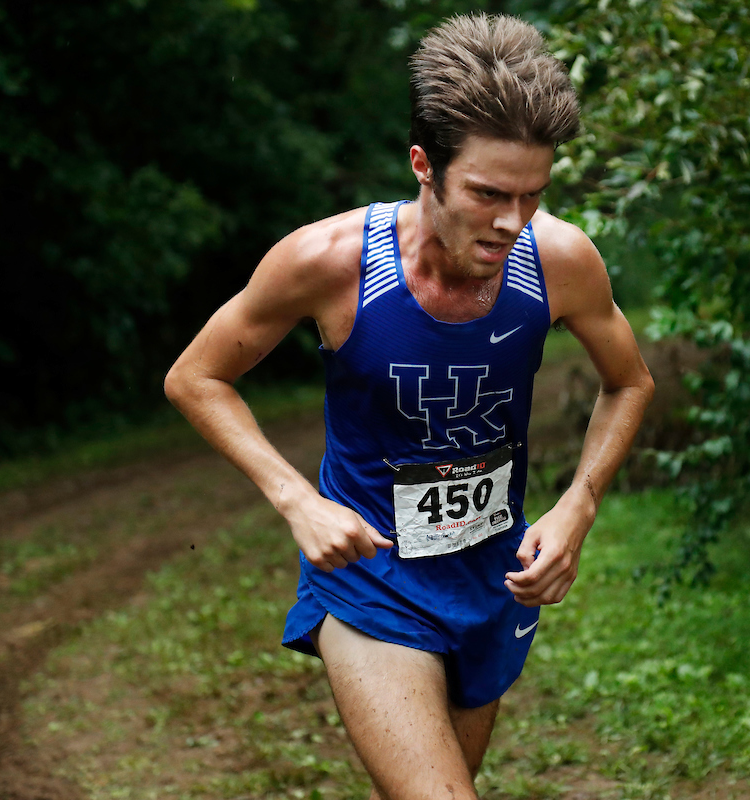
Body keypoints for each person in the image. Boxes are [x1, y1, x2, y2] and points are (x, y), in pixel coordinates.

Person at [164, 12, 654, 800]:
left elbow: (629, 382)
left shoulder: (559, 261)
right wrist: (297, 501)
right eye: (489, 194)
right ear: (423, 165)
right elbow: (196, 377)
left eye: (533, 195)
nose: (511, 222)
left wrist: (578, 506)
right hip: (372, 579)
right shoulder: (329, 263)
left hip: (493, 580)